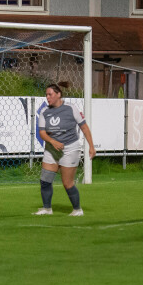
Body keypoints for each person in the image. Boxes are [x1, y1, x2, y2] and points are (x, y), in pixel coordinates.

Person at [34, 82, 96, 217]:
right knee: (45, 180)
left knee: (67, 183)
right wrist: (52, 141)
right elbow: (42, 133)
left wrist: (91, 146)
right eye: (46, 95)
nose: (47, 97)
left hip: (70, 148)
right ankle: (47, 209)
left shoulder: (71, 108)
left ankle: (77, 210)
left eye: (50, 94)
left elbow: (84, 127)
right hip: (52, 149)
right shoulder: (44, 111)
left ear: (58, 94)